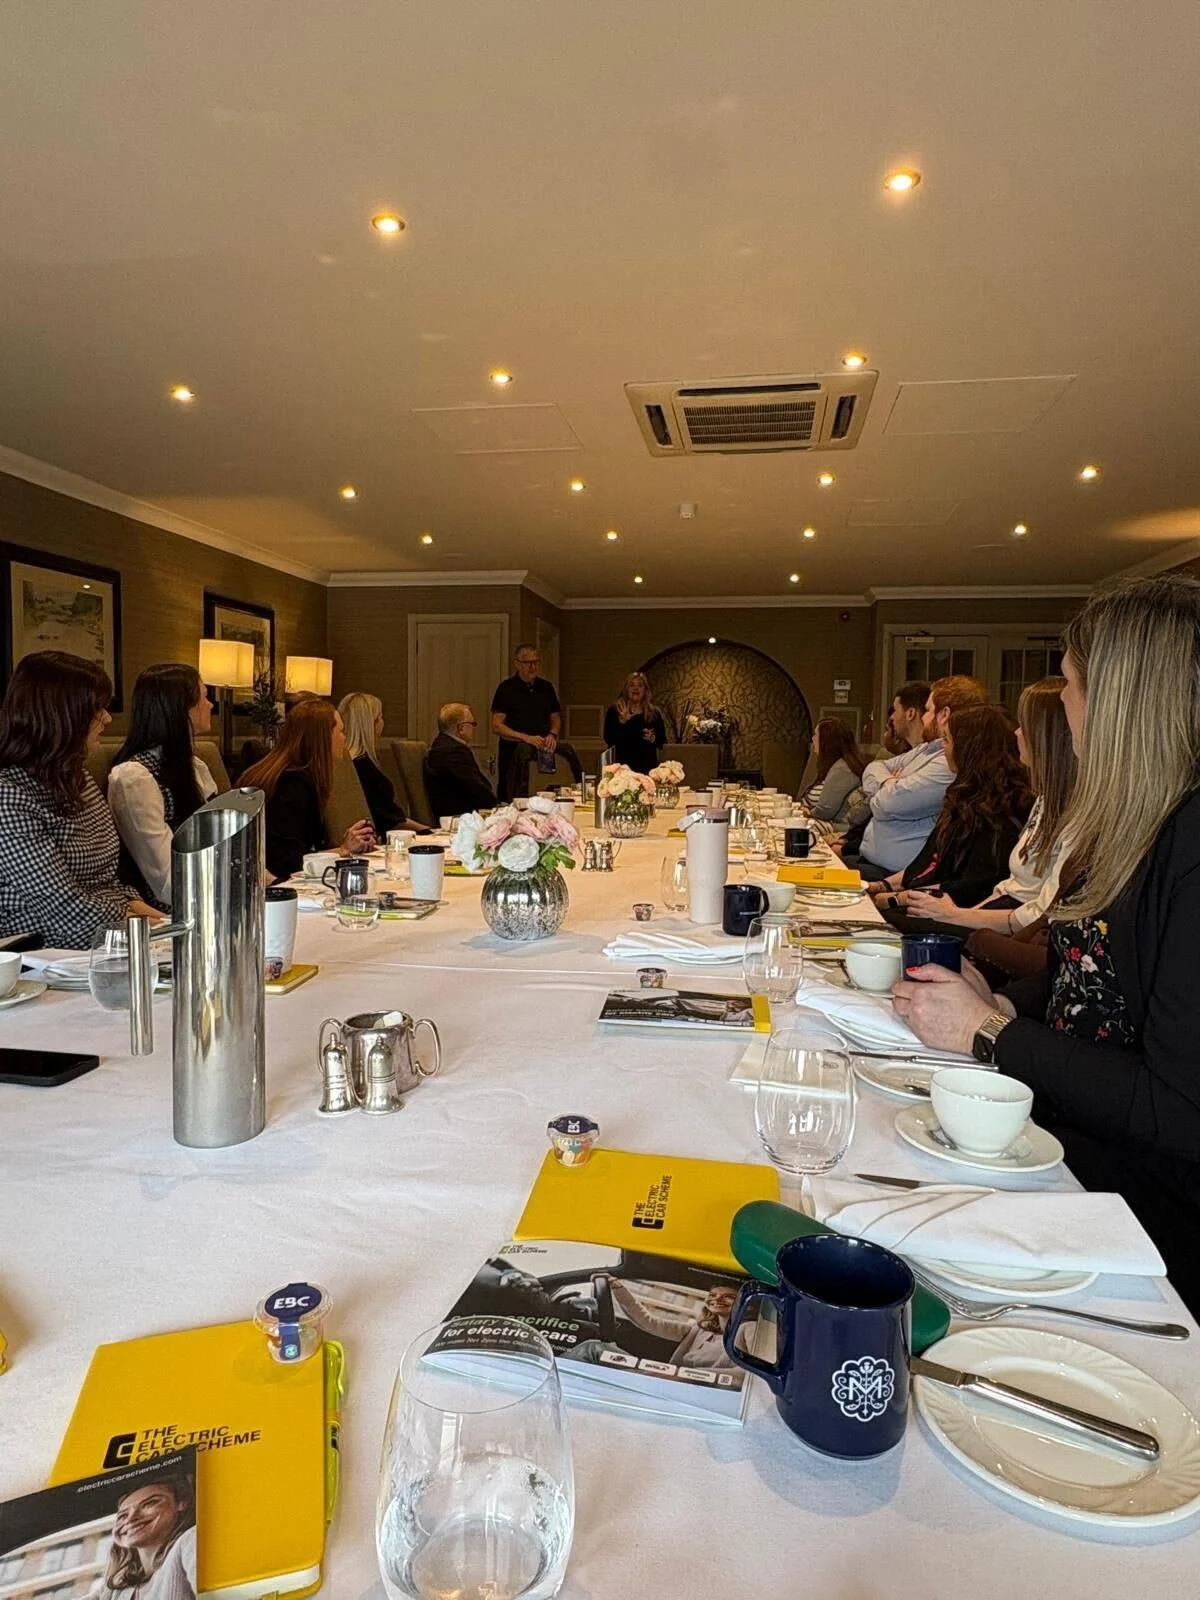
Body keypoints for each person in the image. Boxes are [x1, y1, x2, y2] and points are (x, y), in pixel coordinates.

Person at [891, 576, 1200, 1313]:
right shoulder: (1126, 830)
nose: (1060, 702)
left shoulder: (1188, 848)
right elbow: (1079, 988)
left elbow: (1178, 1110)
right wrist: (992, 996)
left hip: (1135, 1212)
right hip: (1061, 1131)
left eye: (1070, 682)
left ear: (1124, 701)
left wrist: (991, 1031)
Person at [0, 652, 159, 948]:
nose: (108, 718)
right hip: (38, 951)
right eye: (96, 708)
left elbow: (106, 880)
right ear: (61, 715)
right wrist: (141, 924)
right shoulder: (9, 796)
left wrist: (149, 914)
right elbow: (62, 906)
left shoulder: (79, 778)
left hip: (101, 935)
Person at [901, 677, 1075, 940]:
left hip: (1005, 925)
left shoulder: (1057, 811)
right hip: (991, 909)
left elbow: (1037, 913)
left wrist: (955, 915)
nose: (1016, 732)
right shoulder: (1043, 799)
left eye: (1024, 726)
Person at [868, 705, 1033, 918]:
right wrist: (881, 886)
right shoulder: (963, 798)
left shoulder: (1000, 812)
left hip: (958, 910)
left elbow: (969, 887)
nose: (943, 749)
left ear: (968, 749)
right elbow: (925, 863)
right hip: (931, 898)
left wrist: (893, 899)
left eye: (946, 740)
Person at [848, 674, 988, 878]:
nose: (924, 717)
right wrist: (890, 782)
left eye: (929, 710)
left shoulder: (949, 763)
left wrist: (886, 790)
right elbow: (874, 767)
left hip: (895, 873)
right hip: (874, 862)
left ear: (944, 714)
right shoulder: (928, 749)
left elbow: (890, 803)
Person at [108, 664, 219, 909]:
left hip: (211, 894)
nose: (210, 705)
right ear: (180, 709)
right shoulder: (134, 779)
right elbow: (167, 881)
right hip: (168, 911)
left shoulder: (195, 766)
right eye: (204, 697)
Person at [241, 700, 374, 881]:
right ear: (324, 737)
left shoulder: (289, 773)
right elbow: (289, 862)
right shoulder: (292, 784)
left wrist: (345, 846)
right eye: (341, 731)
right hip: (270, 887)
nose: (344, 738)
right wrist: (343, 850)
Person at [490, 644, 582, 801]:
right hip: (514, 752)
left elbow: (555, 717)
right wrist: (526, 738)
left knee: (566, 753)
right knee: (514, 793)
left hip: (544, 748)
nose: (532, 667)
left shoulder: (546, 687)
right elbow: (497, 725)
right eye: (527, 663)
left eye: (536, 662)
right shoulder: (506, 689)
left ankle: (580, 788)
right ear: (517, 664)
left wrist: (553, 734)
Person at [337, 692, 428, 837]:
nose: (383, 722)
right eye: (380, 717)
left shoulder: (343, 764)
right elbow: (391, 820)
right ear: (371, 724)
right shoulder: (364, 767)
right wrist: (429, 831)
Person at [92, 1473, 196, 1599]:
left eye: (149, 1504)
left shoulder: (191, 1540)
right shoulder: (118, 1586)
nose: (131, 1518)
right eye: (123, 1516)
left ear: (182, 1504)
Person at [425, 703, 497, 817]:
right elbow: (476, 787)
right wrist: (497, 807)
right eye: (472, 724)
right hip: (461, 815)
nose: (473, 728)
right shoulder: (452, 751)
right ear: (461, 728)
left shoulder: (443, 745)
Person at [799, 718, 866, 824]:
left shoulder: (842, 770)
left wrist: (808, 813)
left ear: (827, 742)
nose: (812, 739)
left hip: (834, 826)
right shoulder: (833, 766)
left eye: (816, 735)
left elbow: (826, 810)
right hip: (820, 821)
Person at [603, 672, 666, 774]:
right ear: (626, 689)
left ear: (645, 690)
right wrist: (623, 723)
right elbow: (608, 738)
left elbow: (662, 740)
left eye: (640, 685)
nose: (635, 689)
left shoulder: (653, 713)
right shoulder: (616, 710)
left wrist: (653, 738)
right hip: (621, 768)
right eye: (631, 685)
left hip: (646, 767)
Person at [888, 680, 931, 752]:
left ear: (910, 713)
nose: (892, 717)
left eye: (895, 710)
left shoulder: (932, 756)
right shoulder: (907, 757)